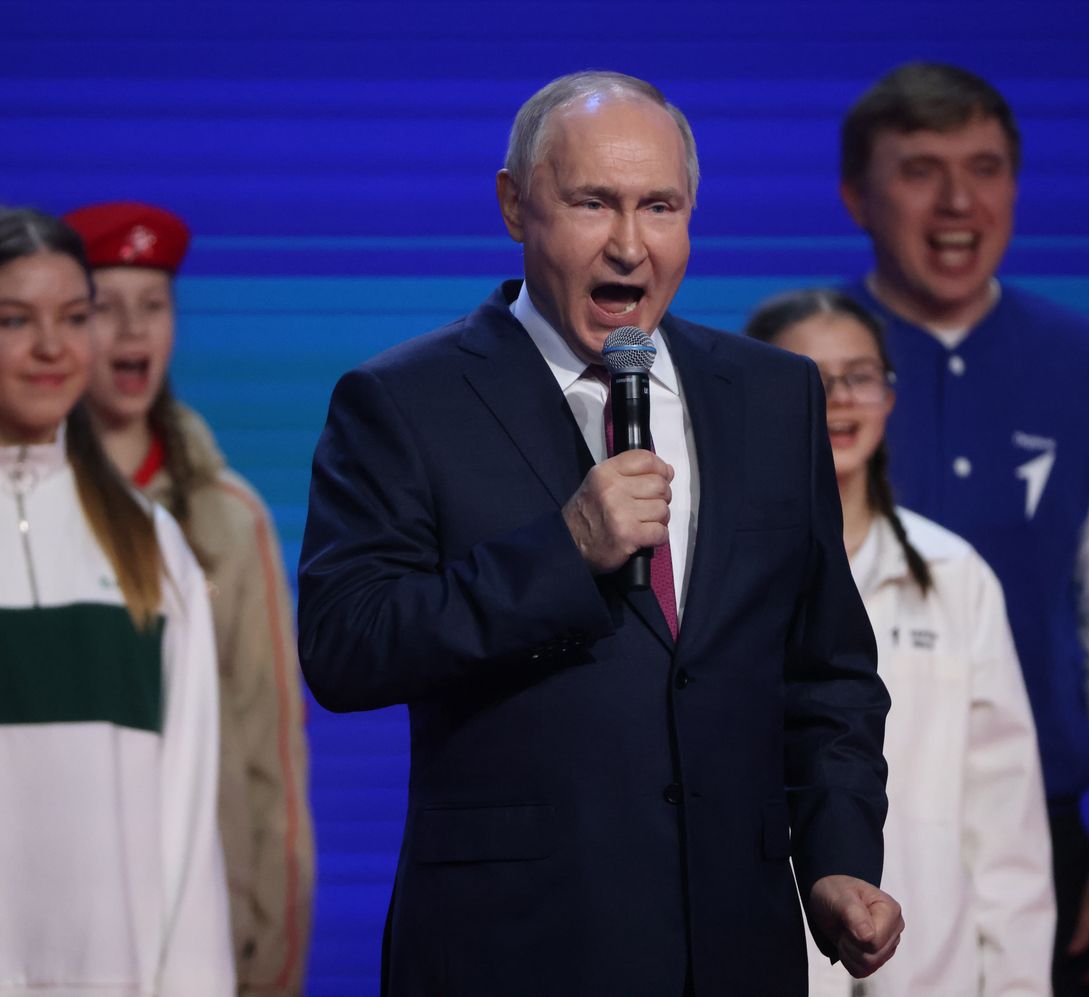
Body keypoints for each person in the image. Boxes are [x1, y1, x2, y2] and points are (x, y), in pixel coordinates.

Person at [298, 70, 902, 995]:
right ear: (514, 206)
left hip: (734, 949)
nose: (630, 245)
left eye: (659, 206)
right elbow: (347, 644)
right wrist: (562, 551)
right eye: (593, 203)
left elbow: (827, 671)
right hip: (514, 950)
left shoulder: (773, 395)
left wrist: (835, 854)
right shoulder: (404, 402)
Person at [838, 62, 1089, 994]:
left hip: (1036, 824)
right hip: (821, 828)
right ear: (855, 194)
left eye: (985, 167)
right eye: (921, 169)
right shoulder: (793, 361)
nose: (958, 201)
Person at [747, 288, 1055, 995]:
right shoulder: (716, 578)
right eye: (812, 379)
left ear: (889, 393)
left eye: (861, 376)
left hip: (932, 969)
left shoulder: (955, 575)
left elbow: (1005, 823)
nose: (841, 400)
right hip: (771, 961)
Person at [62, 201, 315, 995]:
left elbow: (270, 756)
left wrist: (272, 961)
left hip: (195, 931)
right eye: (105, 309)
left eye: (154, 305)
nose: (133, 333)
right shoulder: (18, 506)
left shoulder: (228, 518)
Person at [0, 207, 233, 993]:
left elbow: (187, 819)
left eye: (74, 318)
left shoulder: (149, 542)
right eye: (15, 320)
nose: (52, 348)